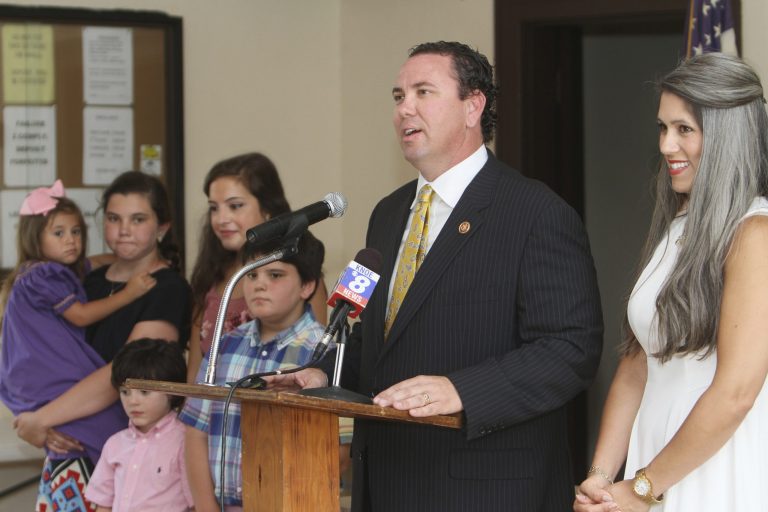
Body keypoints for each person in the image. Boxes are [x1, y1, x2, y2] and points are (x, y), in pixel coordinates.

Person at [267, 41, 603, 511]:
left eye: (423, 92)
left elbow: (570, 349)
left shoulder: (534, 212)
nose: (405, 108)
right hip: (387, 481)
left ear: (473, 106)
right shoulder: (387, 214)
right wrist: (324, 373)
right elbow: (382, 339)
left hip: (486, 487)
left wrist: (462, 390)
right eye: (398, 97)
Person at [574, 54, 768, 512]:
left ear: (725, 137)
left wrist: (643, 489)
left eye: (684, 129)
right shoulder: (678, 224)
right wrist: (601, 480)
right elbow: (638, 361)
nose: (665, 145)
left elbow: (736, 393)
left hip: (718, 471)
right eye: (663, 128)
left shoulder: (755, 233)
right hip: (652, 471)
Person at [13, 171, 192, 510]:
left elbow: (127, 374)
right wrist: (39, 417)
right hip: (68, 441)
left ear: (162, 228)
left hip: (127, 452)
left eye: (138, 219)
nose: (124, 229)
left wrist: (41, 420)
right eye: (113, 218)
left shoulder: (167, 288)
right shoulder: (88, 280)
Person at [180, 231, 329, 512]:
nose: (259, 285)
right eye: (251, 275)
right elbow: (195, 432)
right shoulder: (225, 345)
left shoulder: (323, 355)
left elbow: (338, 454)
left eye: (274, 275)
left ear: (307, 286)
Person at [187, 152, 328, 384]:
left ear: (268, 210)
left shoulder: (297, 277)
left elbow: (313, 362)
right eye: (214, 208)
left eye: (235, 206)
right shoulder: (210, 276)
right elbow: (193, 377)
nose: (221, 219)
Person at [85, 338, 194, 512]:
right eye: (125, 392)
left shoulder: (184, 441)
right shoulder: (115, 444)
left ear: (172, 391)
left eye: (144, 392)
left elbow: (195, 502)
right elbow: (103, 504)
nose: (133, 401)